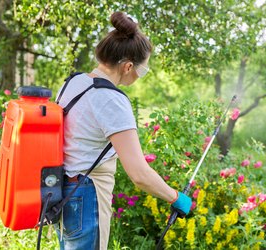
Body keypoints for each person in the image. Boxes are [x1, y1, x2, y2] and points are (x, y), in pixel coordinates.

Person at [54, 11, 192, 250]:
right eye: (143, 70)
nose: (141, 75)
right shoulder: (111, 99)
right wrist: (175, 197)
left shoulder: (73, 82)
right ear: (128, 67)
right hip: (87, 197)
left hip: (63, 190)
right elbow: (139, 173)